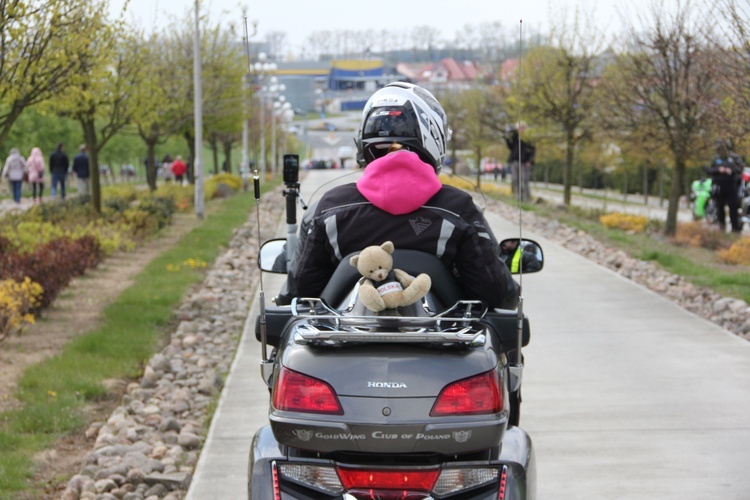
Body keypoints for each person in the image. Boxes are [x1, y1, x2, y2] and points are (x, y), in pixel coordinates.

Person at [287, 82, 519, 310]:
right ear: (433, 137)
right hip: (440, 344)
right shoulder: (458, 209)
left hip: (343, 344)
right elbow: (495, 292)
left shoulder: (328, 208)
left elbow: (301, 292)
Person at [706, 139, 745, 234]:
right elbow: (707, 169)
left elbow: (741, 168)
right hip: (719, 185)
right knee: (720, 207)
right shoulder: (715, 158)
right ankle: (721, 227)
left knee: (733, 207)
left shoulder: (734, 157)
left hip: (732, 185)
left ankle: (735, 229)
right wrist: (718, 169)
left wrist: (731, 170)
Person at [504, 122, 536, 202]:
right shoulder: (516, 138)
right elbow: (510, 147)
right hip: (514, 161)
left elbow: (533, 151)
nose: (521, 129)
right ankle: (519, 196)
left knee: (524, 180)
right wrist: (507, 138)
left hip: (524, 162)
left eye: (522, 128)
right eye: (519, 128)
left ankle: (527, 197)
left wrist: (530, 161)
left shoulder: (528, 139)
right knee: (516, 179)